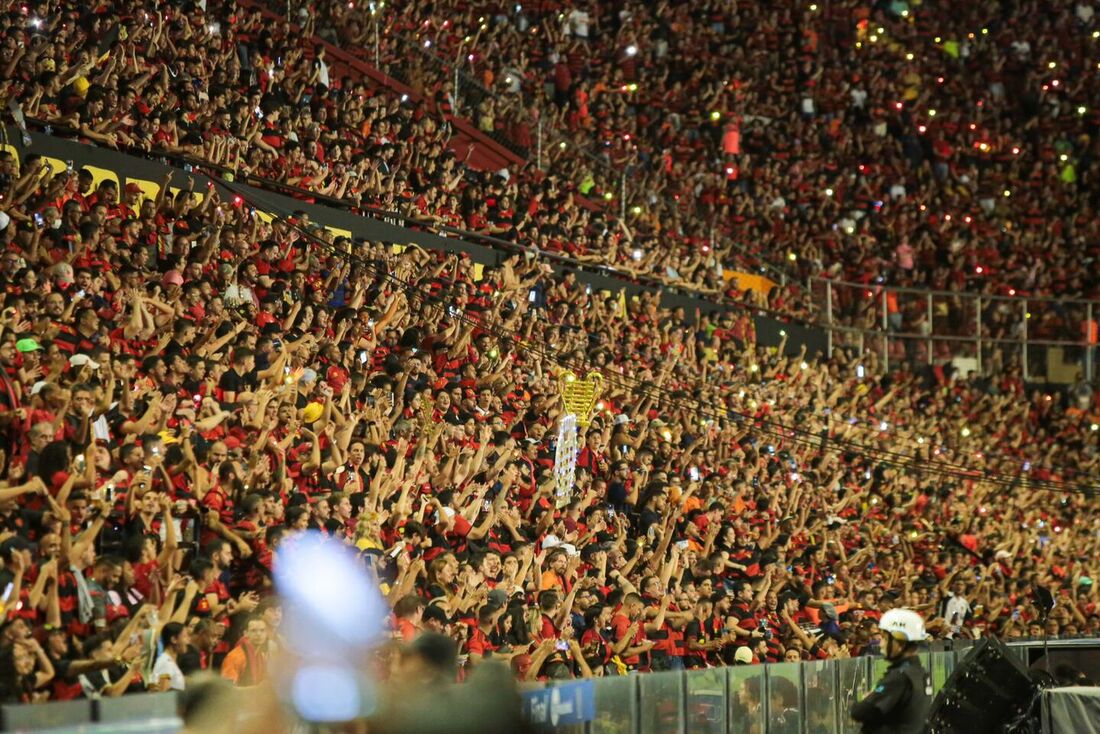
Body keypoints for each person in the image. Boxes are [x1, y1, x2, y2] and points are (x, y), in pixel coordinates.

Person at [850, 609, 930, 734]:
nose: (881, 644)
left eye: (886, 639)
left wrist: (867, 700)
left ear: (901, 643)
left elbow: (861, 712)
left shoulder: (900, 676)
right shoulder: (921, 672)